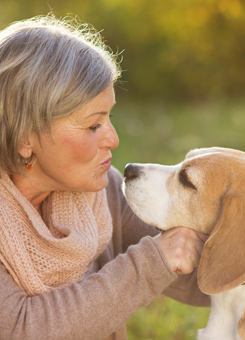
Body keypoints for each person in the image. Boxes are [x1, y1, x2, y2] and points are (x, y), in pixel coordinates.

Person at [0, 15, 210, 340]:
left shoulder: (102, 191)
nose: (112, 138)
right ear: (26, 138)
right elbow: (20, 328)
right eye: (93, 125)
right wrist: (150, 262)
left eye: (109, 117)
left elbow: (201, 276)